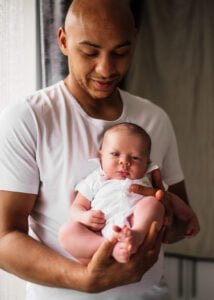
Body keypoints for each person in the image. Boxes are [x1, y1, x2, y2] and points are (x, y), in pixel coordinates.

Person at [0, 1, 199, 300]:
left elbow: (178, 227)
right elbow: (4, 239)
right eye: (90, 52)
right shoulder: (29, 118)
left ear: (134, 39)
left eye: (120, 52)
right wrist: (85, 280)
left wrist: (163, 213)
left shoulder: (153, 119)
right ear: (63, 41)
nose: (106, 69)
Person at [59, 122, 167, 264]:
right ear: (101, 156)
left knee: (153, 203)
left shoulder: (147, 179)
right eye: (115, 154)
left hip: (134, 223)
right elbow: (76, 206)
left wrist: (187, 215)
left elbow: (170, 200)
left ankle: (136, 236)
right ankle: (109, 247)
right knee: (67, 232)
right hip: (98, 232)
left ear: (147, 163)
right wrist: (84, 216)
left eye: (135, 158)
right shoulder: (95, 180)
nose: (124, 162)